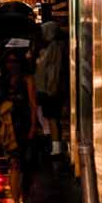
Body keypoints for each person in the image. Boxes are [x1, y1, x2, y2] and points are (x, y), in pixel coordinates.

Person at [0, 43, 40, 203]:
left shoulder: (27, 80)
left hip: (24, 124)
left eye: (15, 61)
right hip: (9, 127)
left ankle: (25, 197)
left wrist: (33, 125)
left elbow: (32, 104)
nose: (11, 65)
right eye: (8, 61)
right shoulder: (2, 80)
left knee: (27, 165)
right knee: (14, 164)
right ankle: (16, 201)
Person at [34, 20, 66, 158]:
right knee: (50, 118)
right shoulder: (53, 47)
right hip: (50, 89)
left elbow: (49, 70)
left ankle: (56, 147)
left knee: (52, 118)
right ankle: (54, 145)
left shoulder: (54, 48)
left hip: (50, 89)